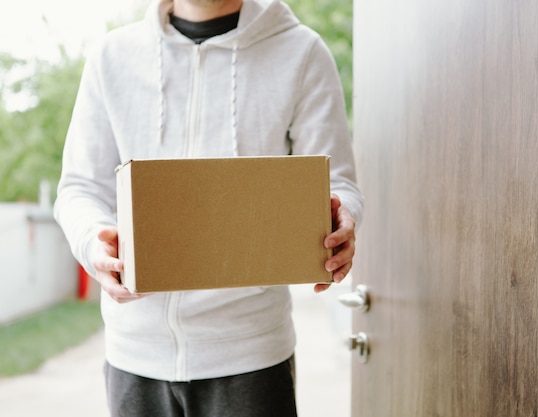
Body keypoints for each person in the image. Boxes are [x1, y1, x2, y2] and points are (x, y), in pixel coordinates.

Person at [54, 0, 363, 415]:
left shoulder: (301, 51)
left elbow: (337, 180)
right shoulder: (111, 57)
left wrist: (344, 216)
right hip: (134, 354)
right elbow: (79, 187)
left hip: (252, 354)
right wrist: (94, 243)